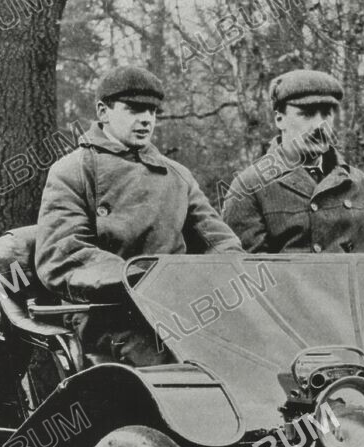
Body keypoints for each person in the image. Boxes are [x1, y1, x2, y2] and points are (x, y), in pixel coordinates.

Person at [35, 65, 242, 364]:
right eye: (134, 109)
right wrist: (142, 278)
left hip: (181, 308)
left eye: (153, 111)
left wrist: (224, 275)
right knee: (165, 370)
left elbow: (220, 242)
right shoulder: (74, 171)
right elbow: (64, 255)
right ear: (103, 112)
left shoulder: (177, 176)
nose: (146, 119)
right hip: (109, 313)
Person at [222, 69, 364, 254]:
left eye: (326, 114)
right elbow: (248, 271)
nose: (320, 126)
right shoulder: (249, 187)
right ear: (280, 119)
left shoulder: (361, 183)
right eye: (307, 114)